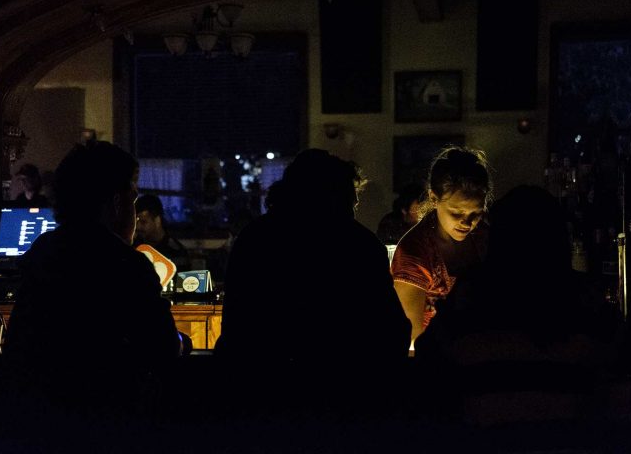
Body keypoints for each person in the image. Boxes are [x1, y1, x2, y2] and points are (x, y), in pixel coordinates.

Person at [413, 185, 629, 433]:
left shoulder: (469, 295)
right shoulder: (586, 299)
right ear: (559, 239)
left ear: (498, 239)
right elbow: (620, 365)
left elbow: (428, 361)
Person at [4, 141, 182, 426]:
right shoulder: (127, 264)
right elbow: (163, 350)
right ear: (115, 202)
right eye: (132, 200)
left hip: (38, 424)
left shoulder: (41, 253)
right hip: (108, 424)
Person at [216, 149, 410, 364]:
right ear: (334, 199)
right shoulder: (360, 245)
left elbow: (236, 327)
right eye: (350, 204)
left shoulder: (254, 238)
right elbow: (393, 329)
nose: (353, 213)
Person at [390, 146, 492, 346]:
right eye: (457, 213)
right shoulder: (415, 252)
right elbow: (412, 335)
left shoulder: (484, 237)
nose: (467, 223)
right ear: (434, 198)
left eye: (476, 214)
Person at [134, 193, 187, 269]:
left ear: (157, 220)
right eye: (136, 222)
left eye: (143, 222)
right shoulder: (134, 247)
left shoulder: (176, 251)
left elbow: (183, 279)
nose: (138, 227)